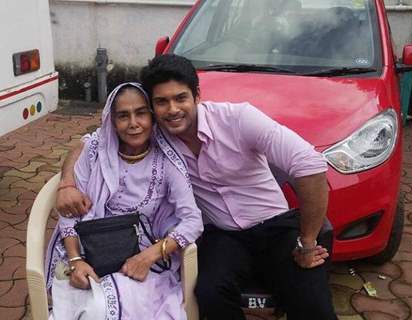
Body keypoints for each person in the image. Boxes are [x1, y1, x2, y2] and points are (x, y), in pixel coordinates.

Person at [56, 54, 337, 320]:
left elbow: (309, 164)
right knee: (210, 293)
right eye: (162, 102)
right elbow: (89, 142)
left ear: (197, 96)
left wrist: (308, 241)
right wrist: (67, 183)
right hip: (224, 236)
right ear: (154, 108)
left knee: (312, 301)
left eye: (180, 98)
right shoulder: (155, 136)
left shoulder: (239, 119)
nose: (173, 109)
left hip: (276, 226)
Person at [46, 82, 203, 320]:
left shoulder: (167, 159)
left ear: (152, 116)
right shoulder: (96, 151)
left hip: (144, 256)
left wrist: (148, 257)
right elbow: (71, 211)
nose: (133, 124)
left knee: (115, 306)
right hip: (89, 250)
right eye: (123, 116)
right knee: (93, 306)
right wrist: (75, 259)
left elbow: (192, 220)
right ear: (112, 121)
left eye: (141, 113)